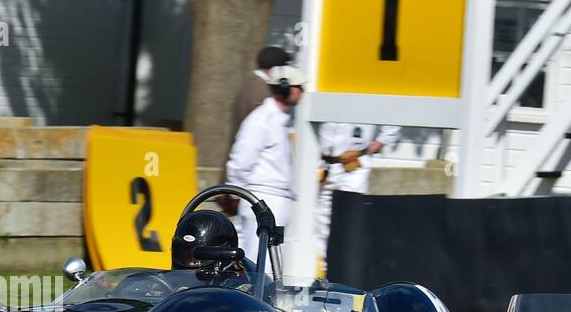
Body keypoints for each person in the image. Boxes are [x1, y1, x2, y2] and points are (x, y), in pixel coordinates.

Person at [221, 64, 306, 258]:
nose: (302, 92)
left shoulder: (278, 120)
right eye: (299, 87)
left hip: (274, 201)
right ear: (285, 88)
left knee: (271, 266)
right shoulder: (262, 120)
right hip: (263, 200)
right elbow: (241, 160)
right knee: (260, 264)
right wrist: (236, 193)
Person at [315, 122, 400, 273]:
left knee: (345, 221)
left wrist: (379, 142)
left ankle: (337, 274)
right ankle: (321, 274)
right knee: (320, 222)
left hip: (354, 166)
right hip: (325, 164)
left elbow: (392, 121)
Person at [170, 210, 247, 284]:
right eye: (185, 257)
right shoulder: (170, 282)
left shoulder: (238, 286)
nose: (189, 262)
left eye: (196, 259)